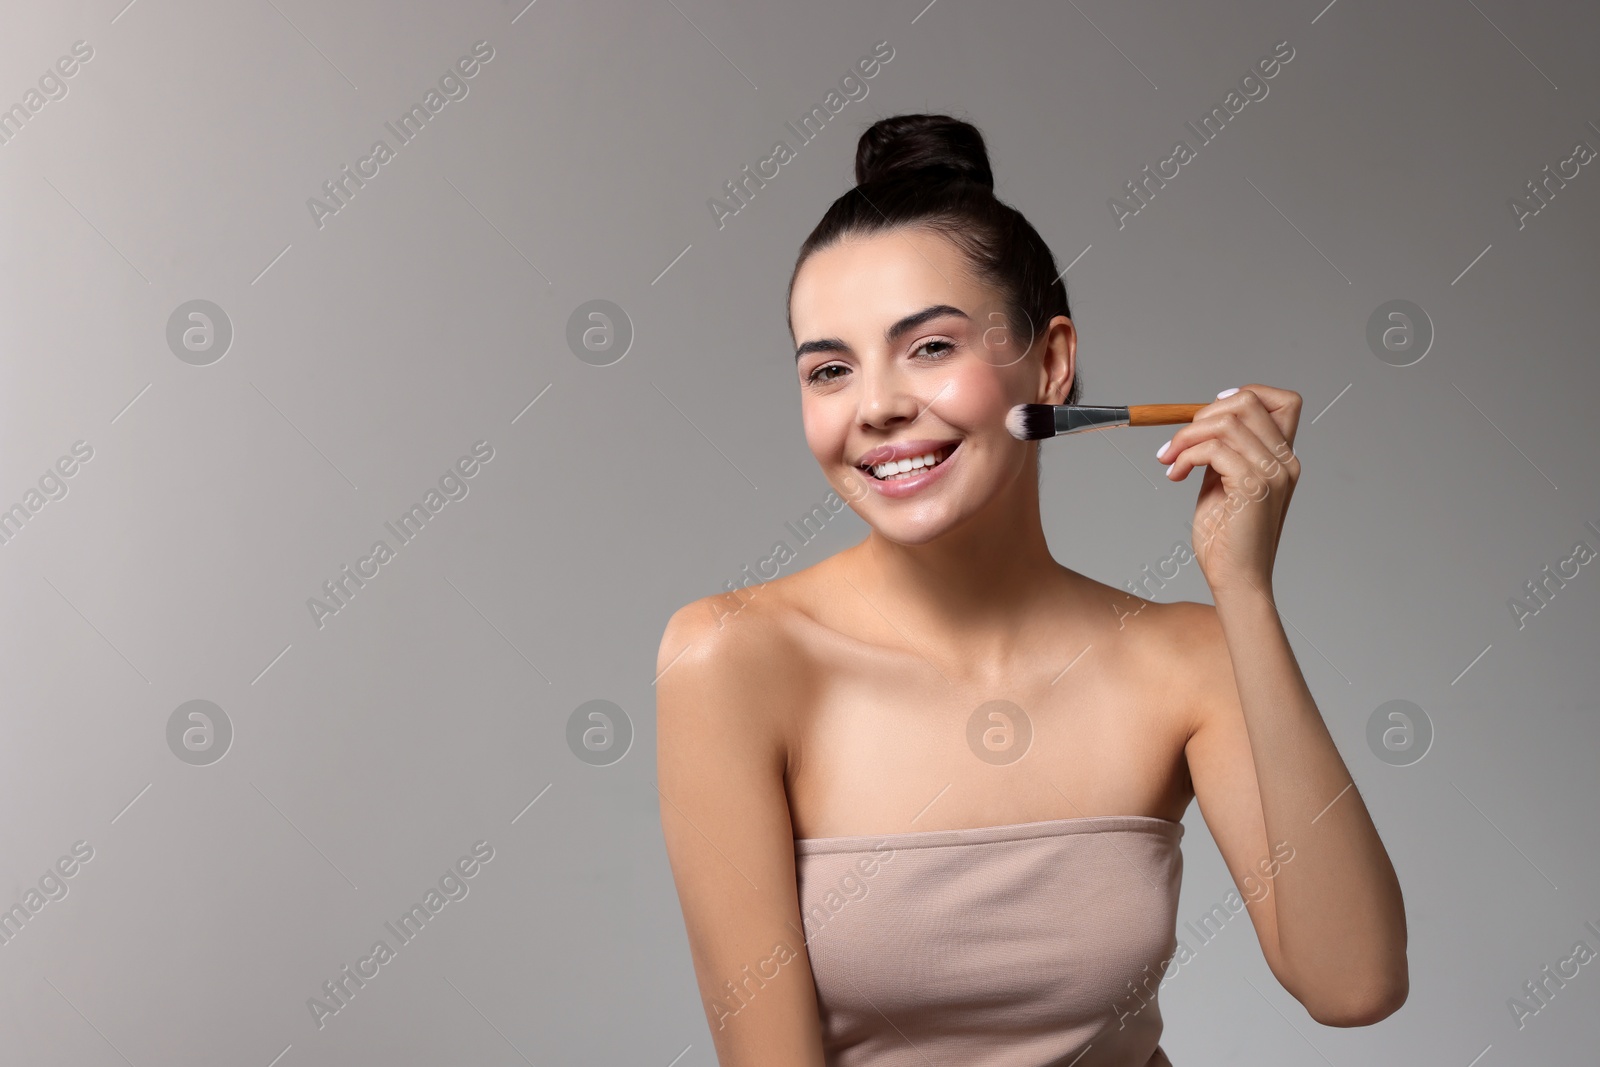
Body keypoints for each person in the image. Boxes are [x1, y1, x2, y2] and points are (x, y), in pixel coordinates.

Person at [657, 113, 1407, 1066]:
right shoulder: (734, 657)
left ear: (1051, 363)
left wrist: (1244, 590)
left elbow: (1355, 982)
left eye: (929, 347)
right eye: (830, 369)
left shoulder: (1184, 658)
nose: (877, 404)